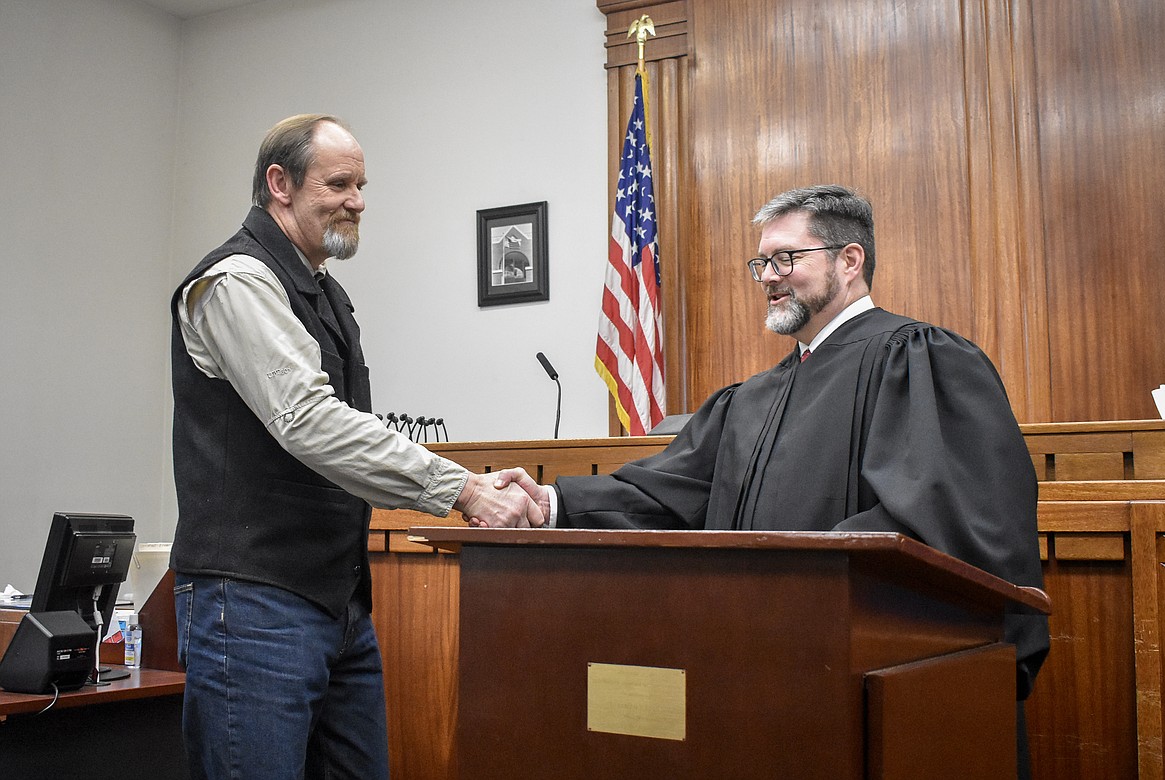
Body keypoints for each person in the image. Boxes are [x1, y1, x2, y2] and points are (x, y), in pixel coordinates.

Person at [491, 184, 1049, 777]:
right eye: (761, 263)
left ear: (849, 260)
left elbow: (945, 521)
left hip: (876, 680)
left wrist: (793, 590)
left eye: (786, 259)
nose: (768, 276)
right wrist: (548, 501)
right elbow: (666, 495)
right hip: (758, 677)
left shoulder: (919, 359)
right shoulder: (752, 398)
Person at [169, 114, 542, 780]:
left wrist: (468, 481)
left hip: (337, 603)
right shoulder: (236, 282)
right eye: (339, 183)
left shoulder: (326, 291)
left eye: (362, 185)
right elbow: (308, 420)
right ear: (279, 184)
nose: (358, 201)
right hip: (252, 600)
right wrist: (461, 489)